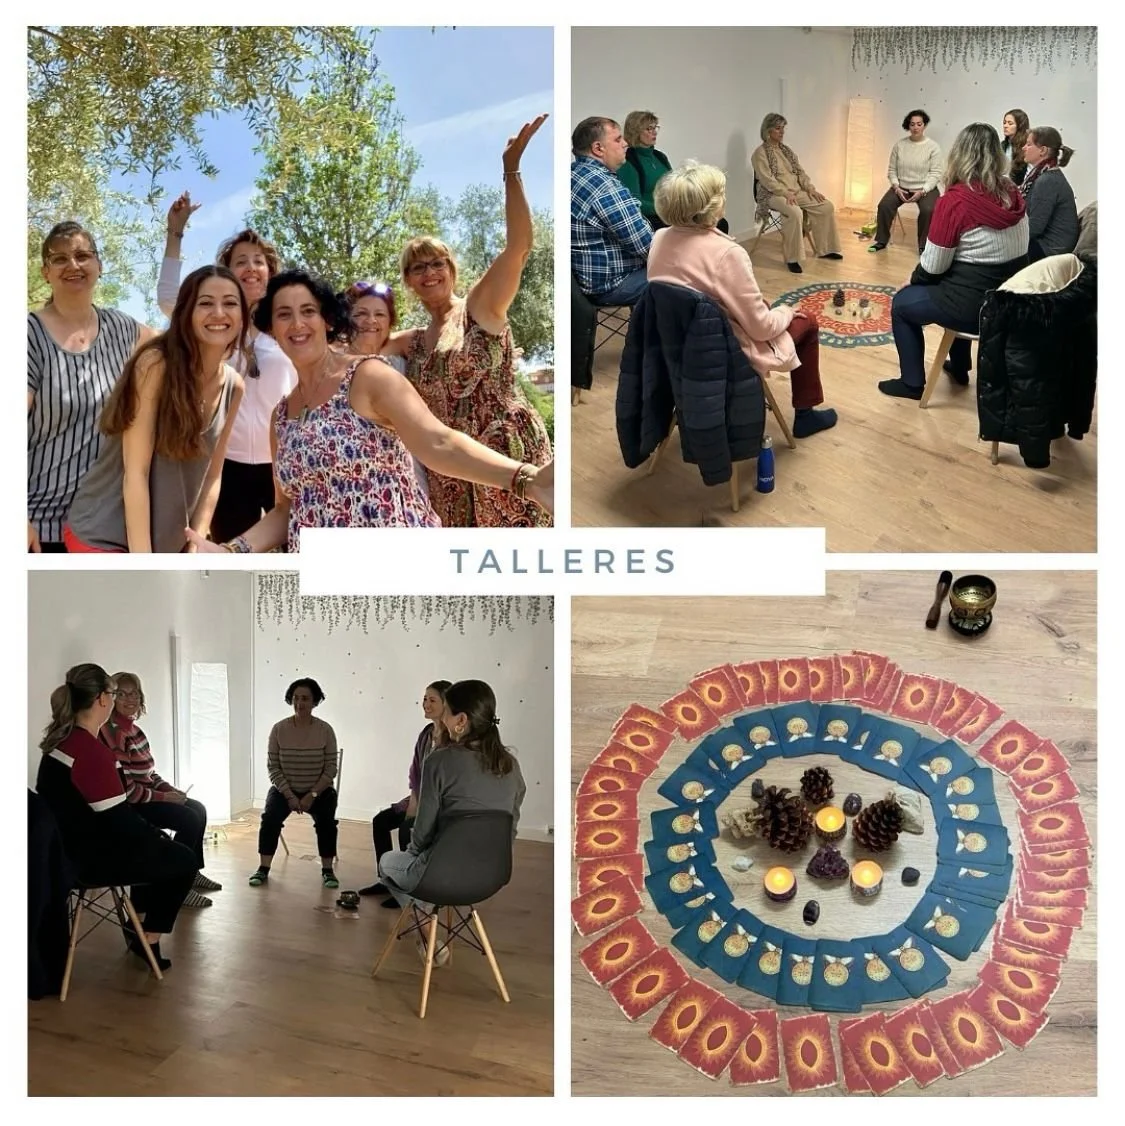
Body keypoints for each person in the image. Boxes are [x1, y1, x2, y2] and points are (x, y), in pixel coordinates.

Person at [182, 270, 553, 553]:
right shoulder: (281, 418)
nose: (297, 323)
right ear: (272, 330)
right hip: (322, 587)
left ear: (327, 321)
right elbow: (285, 509)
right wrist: (233, 550)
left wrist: (526, 480)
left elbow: (438, 442)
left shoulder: (368, 375)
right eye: (284, 315)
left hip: (395, 565)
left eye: (308, 311)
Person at [383, 117, 553, 528]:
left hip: (508, 454)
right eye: (417, 267)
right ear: (408, 281)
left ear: (452, 269)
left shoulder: (479, 308)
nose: (429, 273)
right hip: (453, 472)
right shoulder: (411, 342)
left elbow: (519, 247)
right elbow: (346, 345)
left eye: (437, 263)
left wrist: (511, 170)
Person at [647, 162, 838, 439]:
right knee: (806, 320)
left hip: (675, 347)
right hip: (722, 352)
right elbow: (761, 328)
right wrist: (785, 311)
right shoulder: (727, 253)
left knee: (770, 310)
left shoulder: (660, 238)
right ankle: (805, 416)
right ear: (712, 206)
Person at [63, 266, 246, 552]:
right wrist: (145, 566)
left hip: (166, 546)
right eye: (206, 303)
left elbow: (213, 476)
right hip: (104, 535)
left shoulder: (234, 386)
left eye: (231, 303)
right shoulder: (156, 364)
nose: (219, 312)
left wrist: (195, 544)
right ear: (186, 312)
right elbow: (136, 472)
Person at [35, 664, 198, 971]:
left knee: (162, 847)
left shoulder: (61, 742)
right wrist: (157, 836)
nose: (115, 699)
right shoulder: (92, 752)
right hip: (90, 859)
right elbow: (119, 822)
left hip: (67, 851)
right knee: (183, 860)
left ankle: (140, 926)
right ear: (101, 699)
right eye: (113, 693)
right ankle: (146, 938)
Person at [157, 201, 296, 541]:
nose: (251, 268)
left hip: (283, 461)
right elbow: (169, 300)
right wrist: (175, 234)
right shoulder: (219, 323)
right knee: (232, 554)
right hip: (227, 463)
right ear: (229, 273)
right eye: (241, 262)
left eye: (258, 261)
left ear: (270, 272)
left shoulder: (288, 322)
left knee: (296, 554)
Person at [378, 679, 526, 965]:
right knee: (424, 869)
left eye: (445, 711)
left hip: (438, 876)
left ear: (460, 720)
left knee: (386, 863)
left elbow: (421, 834)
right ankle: (428, 925)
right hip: (491, 878)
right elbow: (511, 828)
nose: (442, 718)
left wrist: (414, 857)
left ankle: (426, 934)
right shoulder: (511, 765)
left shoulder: (439, 761)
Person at [28, 222, 155, 552]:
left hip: (102, 529)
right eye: (59, 259)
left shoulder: (123, 328)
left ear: (99, 265)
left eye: (83, 255)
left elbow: (179, 344)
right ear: (45, 272)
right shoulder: (28, 335)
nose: (73, 265)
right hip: (39, 527)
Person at [879, 123, 1029, 400]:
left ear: (958, 155)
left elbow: (933, 265)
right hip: (1009, 300)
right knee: (956, 283)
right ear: (997, 155)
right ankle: (960, 367)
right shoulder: (1012, 191)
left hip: (975, 309)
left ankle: (912, 384)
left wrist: (911, 280)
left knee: (902, 304)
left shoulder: (956, 201)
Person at [99, 671, 222, 907]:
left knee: (198, 808)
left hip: (148, 795)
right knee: (189, 819)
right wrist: (166, 797)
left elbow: (149, 774)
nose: (129, 699)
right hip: (133, 805)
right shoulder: (114, 734)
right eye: (122, 694)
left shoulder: (136, 731)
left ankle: (192, 872)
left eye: (134, 693)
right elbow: (129, 791)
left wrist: (172, 791)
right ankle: (180, 886)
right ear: (112, 699)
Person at [358, 679, 452, 906]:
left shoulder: (452, 739)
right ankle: (386, 880)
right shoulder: (426, 733)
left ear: (446, 703)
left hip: (440, 805)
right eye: (424, 699)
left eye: (432, 700)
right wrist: (413, 801)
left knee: (406, 829)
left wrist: (420, 807)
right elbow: (416, 772)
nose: (425, 704)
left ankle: (406, 889)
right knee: (381, 821)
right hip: (418, 797)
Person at [340, 279, 428, 499]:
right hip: (347, 487)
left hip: (405, 485)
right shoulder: (331, 369)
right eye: (360, 314)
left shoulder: (404, 367)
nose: (370, 320)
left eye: (380, 314)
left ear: (390, 323)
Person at [250, 678, 340, 889]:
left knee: (326, 823)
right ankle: (263, 868)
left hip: (319, 791)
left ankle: (327, 870)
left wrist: (312, 795)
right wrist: (290, 795)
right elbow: (273, 768)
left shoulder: (325, 730)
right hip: (285, 791)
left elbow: (331, 768)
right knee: (269, 819)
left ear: (315, 701)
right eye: (296, 698)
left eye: (305, 699)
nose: (300, 703)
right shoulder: (279, 729)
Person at [571, 116, 653, 305]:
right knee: (693, 273)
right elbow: (648, 248)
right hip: (614, 284)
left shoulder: (575, 173)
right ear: (598, 148)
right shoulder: (604, 187)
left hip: (589, 280)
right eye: (618, 139)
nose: (625, 144)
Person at [751, 113, 843, 273]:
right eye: (778, 129)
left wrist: (810, 188)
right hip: (773, 194)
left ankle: (826, 249)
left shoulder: (787, 151)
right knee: (794, 213)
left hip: (796, 191)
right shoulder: (759, 154)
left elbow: (800, 173)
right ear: (767, 131)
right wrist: (785, 193)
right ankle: (792, 259)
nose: (782, 132)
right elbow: (767, 180)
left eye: (783, 129)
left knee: (826, 206)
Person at [618, 110, 731, 235]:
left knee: (720, 223)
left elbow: (674, 186)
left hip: (673, 211)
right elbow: (634, 203)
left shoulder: (660, 156)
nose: (654, 132)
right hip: (655, 217)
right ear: (635, 131)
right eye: (649, 129)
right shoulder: (629, 162)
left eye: (655, 127)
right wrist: (665, 208)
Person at [869, 110, 943, 254]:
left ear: (924, 126)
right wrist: (896, 187)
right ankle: (881, 241)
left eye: (919, 124)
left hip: (925, 188)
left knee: (929, 210)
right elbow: (891, 170)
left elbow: (936, 174)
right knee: (884, 205)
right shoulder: (899, 146)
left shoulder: (933, 147)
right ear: (908, 126)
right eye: (912, 124)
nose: (915, 127)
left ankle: (924, 246)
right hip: (901, 187)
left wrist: (923, 191)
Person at [1020, 126, 1079, 261]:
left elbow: (1035, 228)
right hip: (1050, 244)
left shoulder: (1047, 180)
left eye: (1029, 144)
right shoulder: (1045, 175)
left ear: (1043, 150)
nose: (1024, 148)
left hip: (1050, 249)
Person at [1000, 109, 1030, 186]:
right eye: (1004, 123)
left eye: (1010, 124)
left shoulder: (1027, 147)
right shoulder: (1002, 145)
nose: (1005, 126)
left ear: (1020, 126)